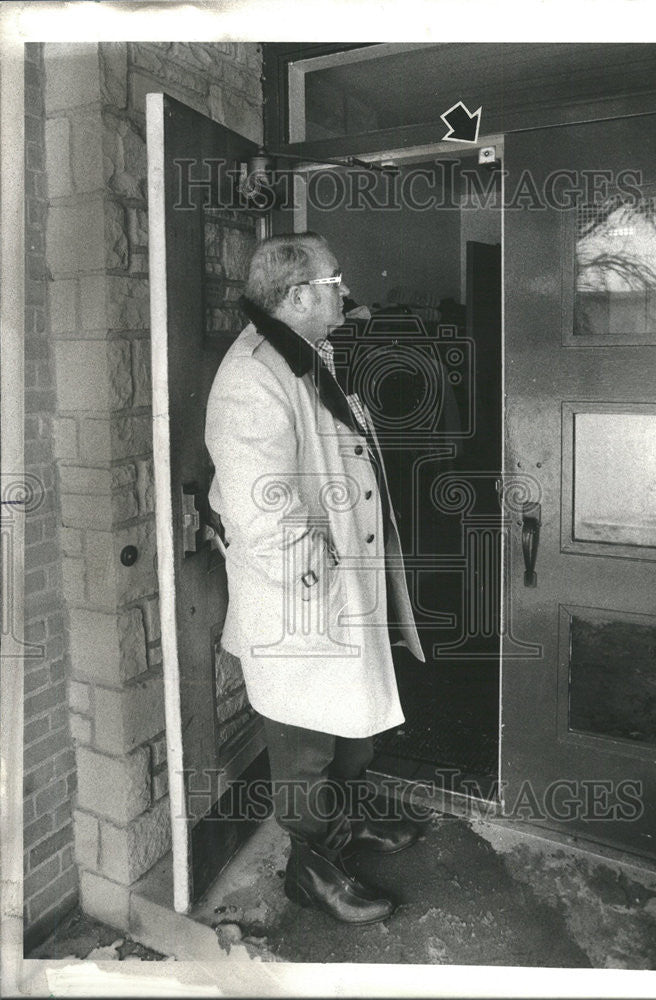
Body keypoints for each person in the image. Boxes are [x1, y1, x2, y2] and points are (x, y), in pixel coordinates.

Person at [205, 232, 425, 925]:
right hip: (302, 604)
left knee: (350, 731)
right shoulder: (252, 377)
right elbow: (262, 512)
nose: (344, 294)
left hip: (337, 587)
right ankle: (312, 869)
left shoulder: (304, 355)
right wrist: (324, 590)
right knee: (305, 745)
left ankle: (343, 826)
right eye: (335, 282)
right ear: (298, 296)